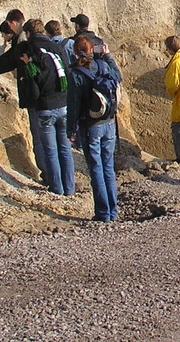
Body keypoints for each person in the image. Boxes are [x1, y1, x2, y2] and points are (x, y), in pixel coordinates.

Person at [0, 13, 47, 185]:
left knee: (40, 138)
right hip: (49, 97)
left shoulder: (24, 41)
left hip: (35, 96)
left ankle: (50, 177)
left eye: (9, 25)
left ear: (13, 23)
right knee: (51, 139)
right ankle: (60, 179)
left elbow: (11, 60)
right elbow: (11, 56)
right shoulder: (48, 44)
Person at [18, 19, 76, 195]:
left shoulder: (31, 54)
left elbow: (34, 86)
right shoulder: (57, 51)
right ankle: (70, 188)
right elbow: (68, 71)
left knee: (51, 151)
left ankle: (57, 188)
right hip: (63, 105)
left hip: (45, 108)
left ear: (28, 34)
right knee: (65, 150)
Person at [67, 35, 121, 221]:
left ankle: (103, 213)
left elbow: (73, 105)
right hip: (108, 123)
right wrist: (107, 56)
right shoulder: (102, 65)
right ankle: (112, 212)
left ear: (75, 52)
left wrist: (71, 130)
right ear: (93, 49)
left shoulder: (76, 73)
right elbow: (118, 77)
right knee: (108, 167)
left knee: (96, 168)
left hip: (90, 126)